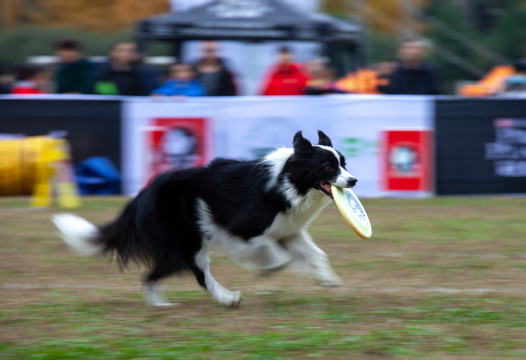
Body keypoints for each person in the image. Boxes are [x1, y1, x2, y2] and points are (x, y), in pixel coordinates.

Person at [92, 41, 158, 96]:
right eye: (122, 50)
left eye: (131, 51)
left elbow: (150, 92)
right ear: (112, 52)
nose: (127, 53)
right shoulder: (96, 69)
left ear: (137, 54)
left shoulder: (145, 72)